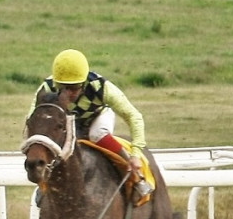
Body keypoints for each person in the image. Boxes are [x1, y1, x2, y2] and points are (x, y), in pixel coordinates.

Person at [31, 48, 151, 197]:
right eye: (65, 88)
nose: (70, 93)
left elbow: (134, 116)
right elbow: (32, 119)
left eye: (75, 88)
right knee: (58, 141)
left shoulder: (100, 86)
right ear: (58, 83)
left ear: (84, 81)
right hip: (68, 119)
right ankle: (45, 184)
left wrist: (136, 154)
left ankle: (134, 172)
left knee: (97, 134)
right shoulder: (48, 88)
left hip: (97, 115)